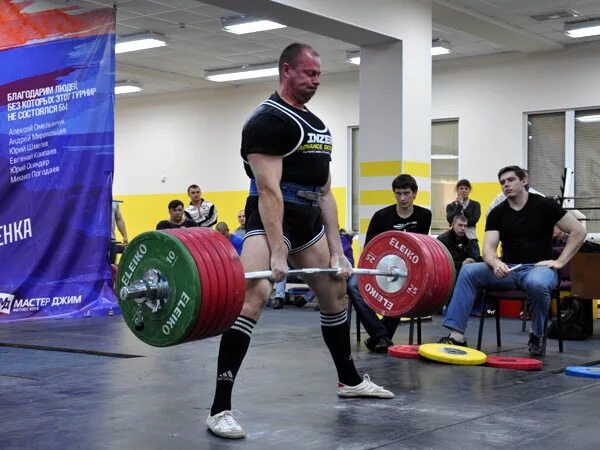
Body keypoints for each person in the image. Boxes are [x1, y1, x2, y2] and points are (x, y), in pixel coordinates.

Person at [206, 43, 393, 440]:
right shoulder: (267, 121)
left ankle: (349, 380)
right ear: (286, 70)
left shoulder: (318, 127)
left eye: (319, 75)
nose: (316, 81)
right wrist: (277, 250)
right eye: (308, 73)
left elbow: (325, 194)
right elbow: (269, 191)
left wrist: (339, 250)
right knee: (252, 295)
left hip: (308, 219)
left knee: (337, 292)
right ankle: (220, 407)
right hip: (272, 217)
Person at [438, 165, 586, 356]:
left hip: (538, 269)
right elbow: (489, 248)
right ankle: (456, 336)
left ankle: (537, 334)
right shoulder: (497, 213)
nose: (505, 185)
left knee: (536, 283)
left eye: (510, 180)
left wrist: (560, 262)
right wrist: (495, 262)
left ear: (524, 180)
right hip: (507, 269)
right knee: (468, 271)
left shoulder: (544, 205)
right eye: (502, 182)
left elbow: (578, 231)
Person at [353, 174, 432, 344]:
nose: (402, 198)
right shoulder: (381, 216)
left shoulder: (424, 215)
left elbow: (419, 249)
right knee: (353, 285)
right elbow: (369, 248)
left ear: (415, 193)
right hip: (381, 267)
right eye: (398, 194)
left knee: (403, 286)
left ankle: (379, 337)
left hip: (406, 271)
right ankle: (381, 334)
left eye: (406, 193)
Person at [446, 179, 481, 258]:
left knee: (476, 261)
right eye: (461, 188)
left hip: (471, 239)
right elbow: (450, 220)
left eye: (466, 188)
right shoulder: (451, 206)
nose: (464, 191)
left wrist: (458, 222)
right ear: (457, 190)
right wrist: (459, 206)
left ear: (469, 190)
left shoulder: (475, 204)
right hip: (455, 241)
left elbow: (474, 220)